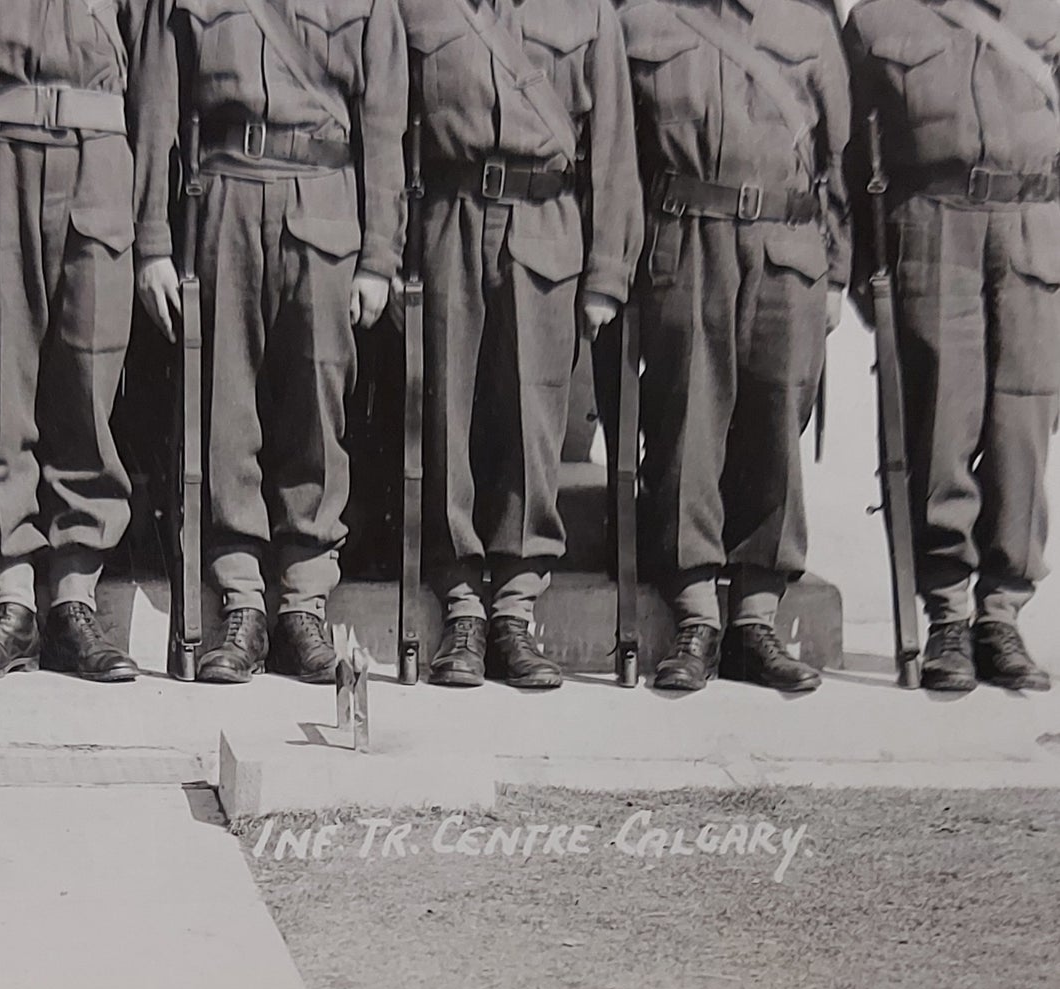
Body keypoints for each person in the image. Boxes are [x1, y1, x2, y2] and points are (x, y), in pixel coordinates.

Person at [130, 0, 406, 683]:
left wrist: (378, 255)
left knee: (318, 411)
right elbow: (156, 106)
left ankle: (303, 603)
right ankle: (241, 602)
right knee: (226, 409)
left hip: (326, 199)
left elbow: (384, 126)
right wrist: (151, 243)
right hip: (226, 194)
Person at [400, 0, 643, 688]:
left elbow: (614, 148)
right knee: (445, 415)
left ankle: (513, 607)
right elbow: (388, 128)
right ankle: (461, 605)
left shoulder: (588, 11)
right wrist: (388, 253)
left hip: (546, 226)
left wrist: (606, 272)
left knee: (533, 426)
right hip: (447, 219)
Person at [617, 0, 850, 692]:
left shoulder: (808, 28)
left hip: (787, 250)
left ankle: (754, 619)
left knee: (775, 426)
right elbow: (618, 154)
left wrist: (833, 273)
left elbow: (837, 162)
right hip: (687, 242)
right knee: (686, 425)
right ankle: (694, 616)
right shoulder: (641, 22)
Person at [0, 0, 140, 682]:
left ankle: (74, 597)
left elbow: (161, 76)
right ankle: (11, 599)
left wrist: (157, 226)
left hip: (98, 161)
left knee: (87, 381)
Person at [845, 0, 1057, 693]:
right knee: (936, 426)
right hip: (931, 233)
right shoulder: (881, 22)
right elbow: (847, 158)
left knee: (1019, 429)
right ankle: (944, 613)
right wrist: (857, 266)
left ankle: (1000, 614)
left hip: (1032, 234)